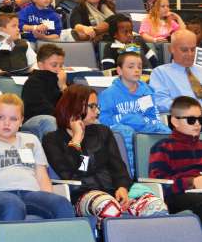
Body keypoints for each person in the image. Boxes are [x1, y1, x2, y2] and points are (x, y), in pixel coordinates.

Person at [43, 84, 168, 225]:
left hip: (114, 191)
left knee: (157, 208)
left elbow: (119, 168)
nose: (97, 112)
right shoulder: (52, 139)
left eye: (97, 107)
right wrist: (77, 139)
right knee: (110, 208)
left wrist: (122, 188)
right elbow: (80, 171)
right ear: (75, 106)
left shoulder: (103, 132)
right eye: (92, 106)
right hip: (84, 194)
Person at [0, 93, 75, 225]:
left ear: (21, 121)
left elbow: (42, 176)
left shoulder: (32, 140)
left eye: (13, 119)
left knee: (61, 204)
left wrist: (49, 199)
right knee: (13, 204)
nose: (6, 123)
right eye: (1, 117)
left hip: (30, 194)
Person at [99, 52, 170, 172]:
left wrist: (142, 122)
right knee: (127, 131)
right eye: (131, 67)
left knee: (165, 131)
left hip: (143, 127)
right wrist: (128, 119)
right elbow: (103, 120)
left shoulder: (146, 91)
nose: (136, 70)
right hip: (121, 131)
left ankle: (165, 171)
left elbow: (154, 117)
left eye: (139, 67)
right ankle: (131, 174)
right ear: (119, 70)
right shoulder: (108, 94)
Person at [149, 96, 202, 220]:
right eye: (191, 120)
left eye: (200, 119)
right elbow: (159, 184)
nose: (197, 124)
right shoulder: (163, 147)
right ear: (175, 121)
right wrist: (191, 182)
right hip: (177, 197)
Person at [21, 43, 66, 141]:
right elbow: (43, 109)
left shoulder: (61, 81)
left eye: (61, 65)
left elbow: (73, 107)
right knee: (50, 120)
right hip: (34, 121)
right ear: (40, 65)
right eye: (54, 65)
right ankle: (54, 155)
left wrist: (63, 87)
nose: (58, 69)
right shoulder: (33, 83)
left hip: (56, 118)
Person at [150, 29, 202, 112]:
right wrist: (190, 110)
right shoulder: (160, 73)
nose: (190, 54)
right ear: (171, 49)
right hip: (184, 119)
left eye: (193, 49)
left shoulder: (200, 70)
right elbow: (160, 102)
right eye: (184, 50)